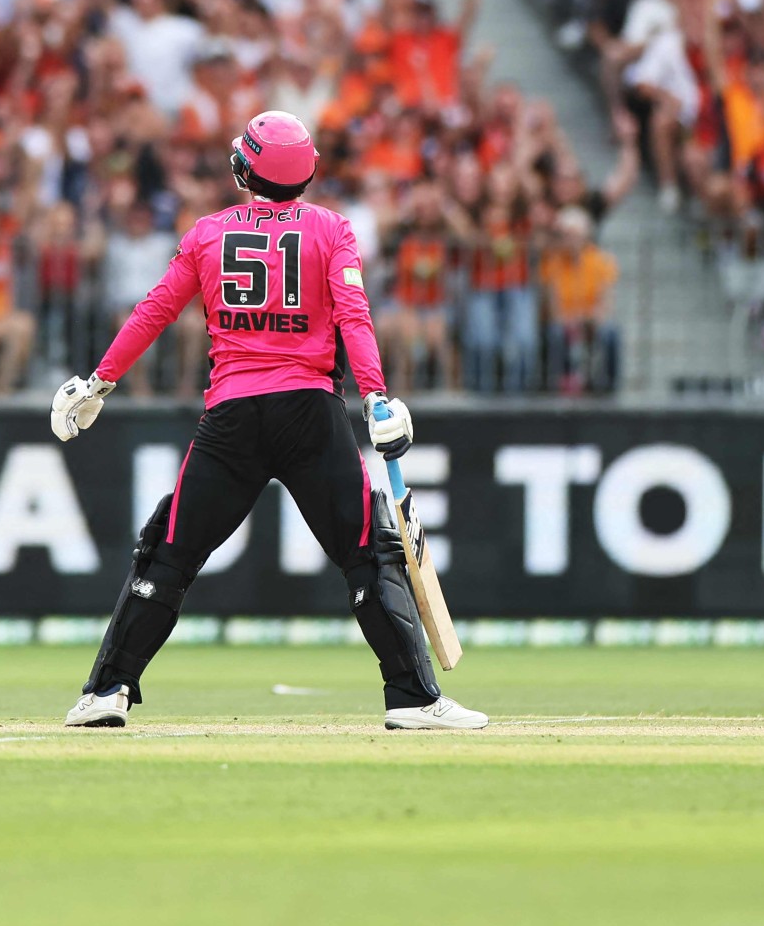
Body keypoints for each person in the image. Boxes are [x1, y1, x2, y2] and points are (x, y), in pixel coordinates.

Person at [48, 109, 486, 732]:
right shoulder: (332, 229)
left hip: (231, 417)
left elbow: (154, 311)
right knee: (367, 553)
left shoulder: (206, 233)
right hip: (309, 412)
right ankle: (413, 699)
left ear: (245, 167)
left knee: (168, 553)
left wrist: (99, 381)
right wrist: (377, 397)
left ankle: (105, 691)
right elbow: (355, 317)